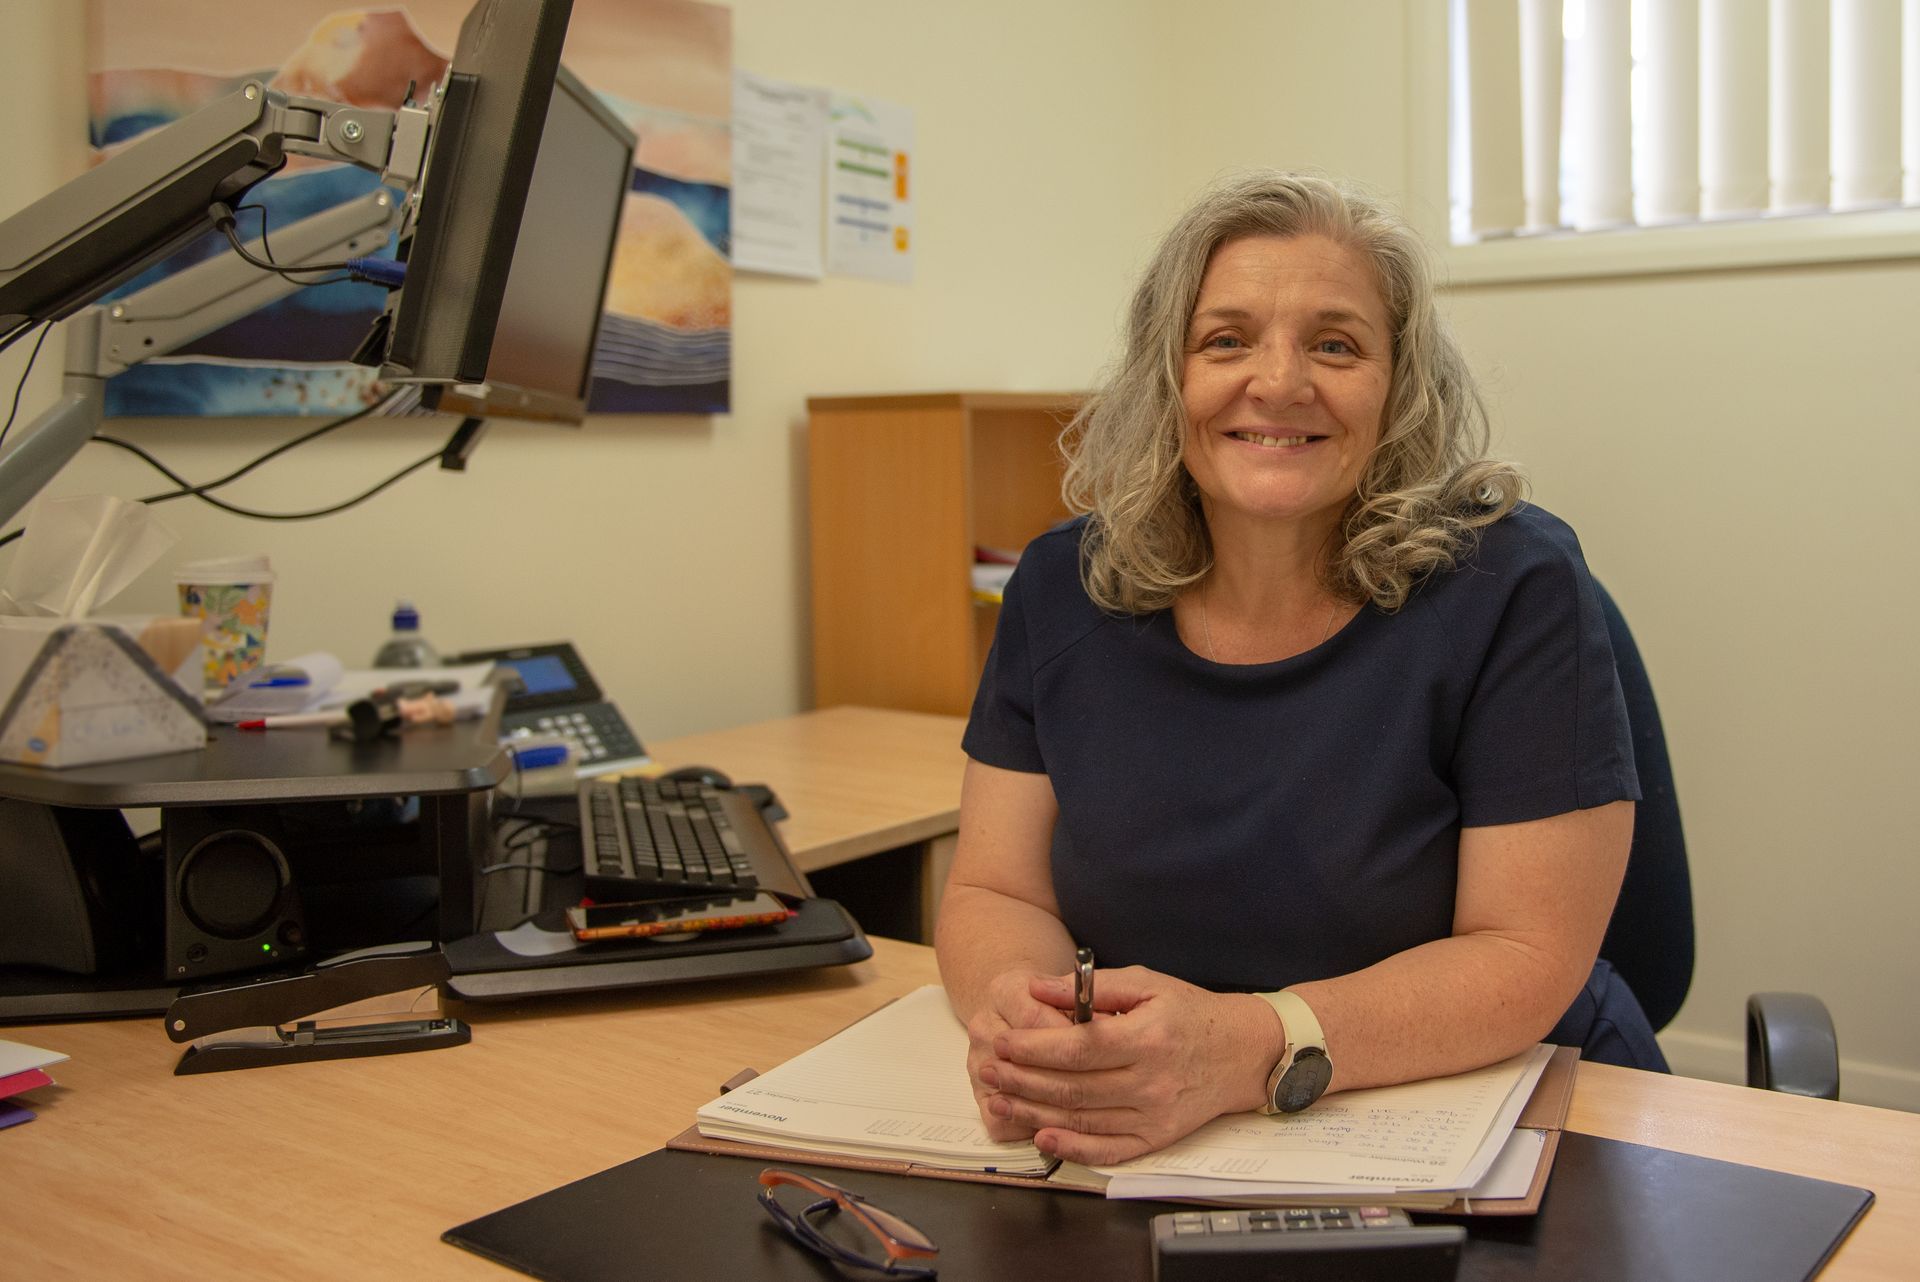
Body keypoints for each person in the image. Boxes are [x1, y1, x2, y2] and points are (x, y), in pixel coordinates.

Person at [934, 171, 1664, 1169]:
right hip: (1151, 1130)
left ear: (1399, 387)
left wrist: (1239, 1051)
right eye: (1226, 339)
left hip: (1493, 1119)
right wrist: (1036, 1027)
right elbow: (994, 891)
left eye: (1335, 343)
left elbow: (1523, 955)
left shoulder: (1512, 584)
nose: (1279, 382)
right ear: (1166, 376)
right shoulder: (1064, 584)